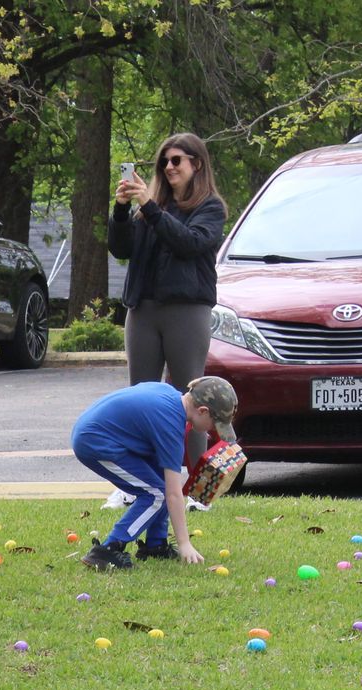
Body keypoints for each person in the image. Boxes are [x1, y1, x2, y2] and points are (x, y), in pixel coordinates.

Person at [110, 132, 227, 464]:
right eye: (164, 161)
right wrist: (121, 210)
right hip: (143, 309)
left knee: (192, 398)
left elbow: (189, 243)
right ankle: (140, 481)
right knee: (140, 398)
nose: (168, 167)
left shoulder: (210, 207)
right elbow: (121, 249)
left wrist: (148, 207)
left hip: (187, 311)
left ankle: (192, 483)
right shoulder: (151, 208)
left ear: (197, 164)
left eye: (176, 160)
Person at [70, 376, 237, 571]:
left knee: (160, 483)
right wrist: (184, 543)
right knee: (155, 494)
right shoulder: (170, 423)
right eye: (215, 424)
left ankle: (155, 545)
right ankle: (108, 549)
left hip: (98, 434)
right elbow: (173, 494)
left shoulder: (171, 396)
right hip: (95, 443)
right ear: (202, 411)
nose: (213, 431)